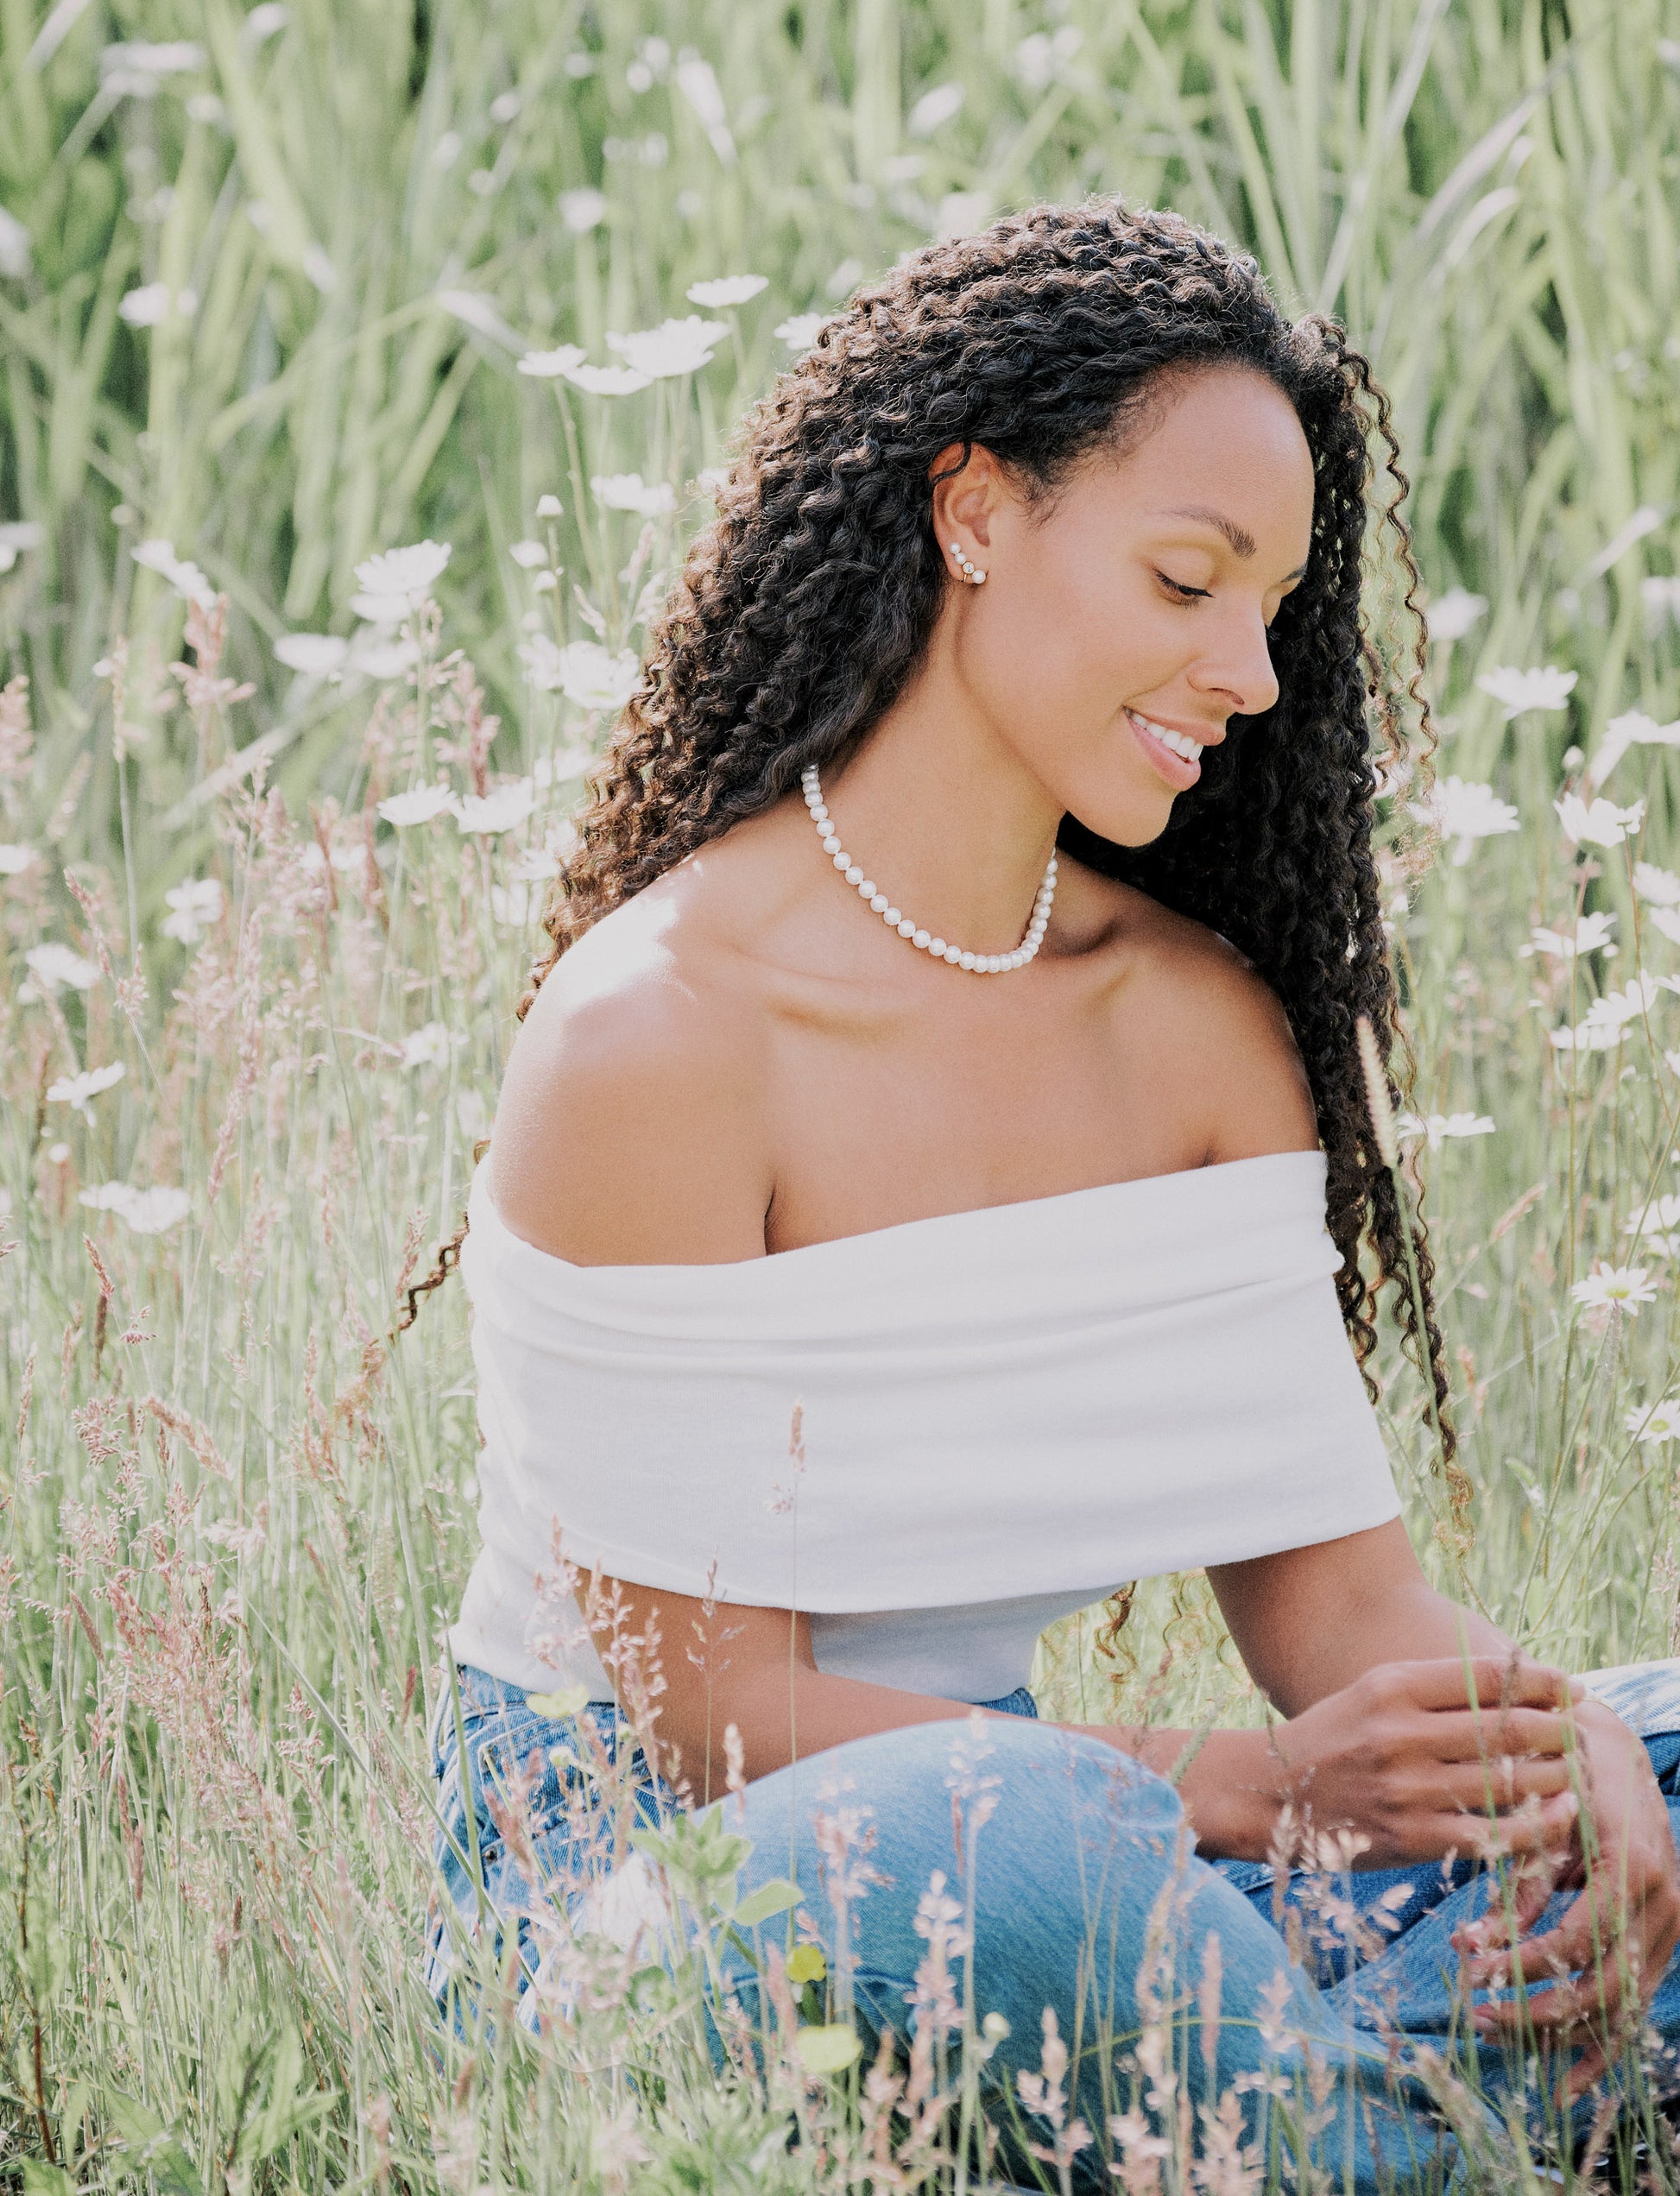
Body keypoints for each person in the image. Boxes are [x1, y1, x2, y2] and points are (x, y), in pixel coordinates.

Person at [415, 201, 1680, 2187]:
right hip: (692, 1890)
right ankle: (1424, 2126)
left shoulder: (1189, 1032)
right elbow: (716, 1729)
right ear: (977, 510)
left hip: (1093, 1865)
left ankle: (1327, 2119)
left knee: (1655, 1752)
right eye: (1187, 578)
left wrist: (1545, 1739)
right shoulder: (658, 1036)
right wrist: (1258, 1789)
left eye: (1271, 605)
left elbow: (1342, 1609)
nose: (1249, 672)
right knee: (1014, 1850)